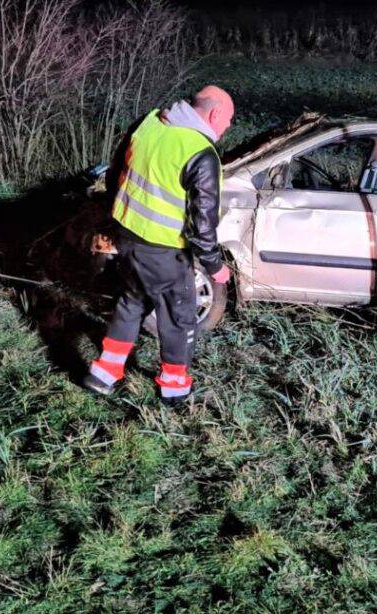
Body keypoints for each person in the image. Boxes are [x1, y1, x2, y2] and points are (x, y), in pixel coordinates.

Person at [83, 85, 234, 404]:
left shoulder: (148, 123)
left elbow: (115, 177)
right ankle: (174, 388)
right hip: (164, 252)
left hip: (126, 240)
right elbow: (202, 227)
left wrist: (115, 223)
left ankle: (104, 373)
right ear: (215, 114)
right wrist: (215, 268)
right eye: (229, 120)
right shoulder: (201, 155)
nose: (228, 127)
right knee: (179, 316)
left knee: (131, 302)